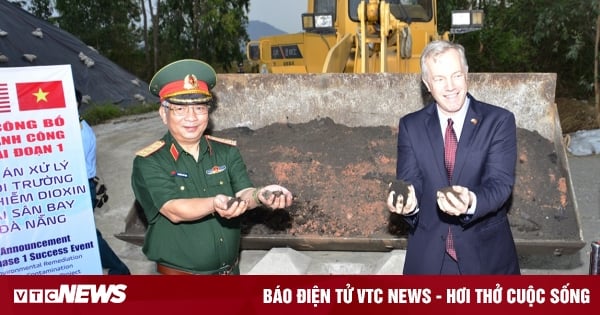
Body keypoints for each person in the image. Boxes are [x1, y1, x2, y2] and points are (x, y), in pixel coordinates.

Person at [131, 59, 294, 275]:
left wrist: (260, 195)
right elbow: (174, 209)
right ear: (164, 114)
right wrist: (215, 203)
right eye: (180, 109)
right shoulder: (150, 161)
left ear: (208, 113)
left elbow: (242, 192)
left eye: (199, 107)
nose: (192, 117)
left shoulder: (226, 152)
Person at [386, 40, 520, 274]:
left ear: (466, 74)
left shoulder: (498, 121)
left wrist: (469, 201)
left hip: (485, 258)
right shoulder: (411, 126)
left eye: (456, 75)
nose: (450, 86)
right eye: (439, 79)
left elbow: (500, 184)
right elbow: (410, 181)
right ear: (427, 84)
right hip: (429, 259)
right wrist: (408, 203)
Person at [78, 90, 131, 275]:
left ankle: (119, 270)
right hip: (82, 186)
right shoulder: (78, 126)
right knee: (85, 233)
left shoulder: (80, 131)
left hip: (82, 188)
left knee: (87, 234)